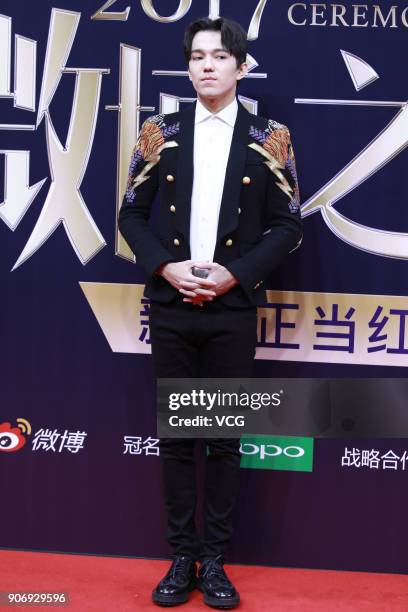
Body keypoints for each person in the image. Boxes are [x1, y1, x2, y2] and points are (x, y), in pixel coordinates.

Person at [118, 16, 302, 609]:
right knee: (177, 438)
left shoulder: (269, 135)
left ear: (241, 67)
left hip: (231, 308)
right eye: (196, 56)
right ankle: (180, 556)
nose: (205, 66)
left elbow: (287, 225)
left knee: (222, 439)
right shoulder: (160, 129)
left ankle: (215, 560)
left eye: (219, 56)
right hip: (172, 305)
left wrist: (236, 274)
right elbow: (130, 215)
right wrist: (166, 269)